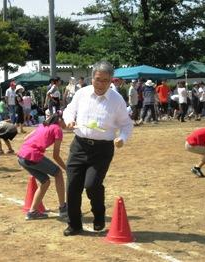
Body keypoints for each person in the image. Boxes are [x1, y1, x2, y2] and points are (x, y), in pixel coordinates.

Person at [62, 61, 133, 236]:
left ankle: (99, 215)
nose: (101, 84)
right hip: (79, 145)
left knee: (92, 185)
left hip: (102, 149)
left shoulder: (117, 100)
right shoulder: (82, 93)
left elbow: (126, 124)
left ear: (111, 81)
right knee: (72, 187)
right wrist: (69, 120)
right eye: (98, 79)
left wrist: (122, 138)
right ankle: (74, 225)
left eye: (106, 81)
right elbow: (69, 110)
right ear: (92, 78)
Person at [17, 110, 67, 220]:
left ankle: (32, 212)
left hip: (21, 156)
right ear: (60, 120)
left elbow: (26, 138)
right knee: (58, 173)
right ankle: (63, 208)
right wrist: (67, 169)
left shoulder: (42, 125)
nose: (66, 124)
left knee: (45, 181)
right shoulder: (57, 129)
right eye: (65, 120)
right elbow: (56, 156)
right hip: (32, 155)